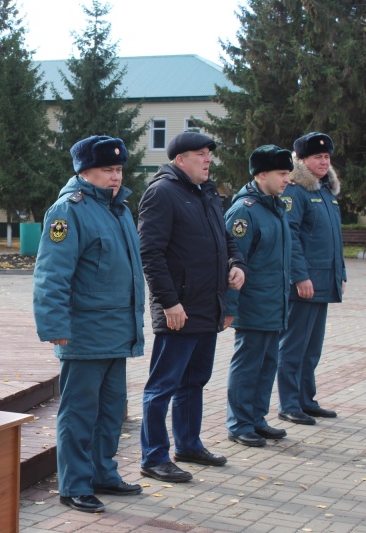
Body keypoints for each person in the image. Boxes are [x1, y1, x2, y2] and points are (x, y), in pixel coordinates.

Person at [33, 135, 146, 513]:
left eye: (118, 169)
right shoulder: (69, 211)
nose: (115, 177)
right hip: (83, 333)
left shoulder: (120, 210)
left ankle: (103, 473)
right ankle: (75, 484)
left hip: (117, 331)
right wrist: (54, 326)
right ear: (84, 172)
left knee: (112, 411)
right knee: (80, 413)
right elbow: (52, 274)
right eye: (107, 170)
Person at [137, 132, 246, 483]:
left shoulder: (207, 192)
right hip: (178, 310)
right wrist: (169, 302)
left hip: (205, 307)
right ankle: (154, 457)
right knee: (162, 387)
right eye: (201, 154)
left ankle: (188, 444)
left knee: (194, 381)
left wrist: (236, 262)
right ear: (180, 159)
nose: (208, 159)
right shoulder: (162, 192)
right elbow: (150, 253)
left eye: (209, 154)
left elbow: (226, 238)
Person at [224, 145, 293, 447]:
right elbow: (231, 262)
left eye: (288, 173)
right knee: (248, 365)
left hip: (274, 304)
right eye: (281, 174)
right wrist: (230, 307)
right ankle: (239, 423)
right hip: (253, 305)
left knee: (267, 365)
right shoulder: (244, 212)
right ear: (261, 174)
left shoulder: (276, 207)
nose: (287, 179)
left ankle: (256, 418)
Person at [277, 132, 346, 425]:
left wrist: (339, 274)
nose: (323, 161)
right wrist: (299, 276)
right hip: (304, 284)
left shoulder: (325, 192)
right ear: (302, 161)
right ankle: (289, 403)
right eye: (317, 157)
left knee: (312, 348)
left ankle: (307, 400)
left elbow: (333, 239)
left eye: (327, 157)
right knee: (294, 346)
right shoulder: (296, 191)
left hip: (323, 282)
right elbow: (290, 237)